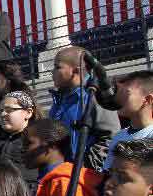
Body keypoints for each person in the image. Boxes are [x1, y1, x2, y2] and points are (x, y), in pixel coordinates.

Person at [49, 45, 121, 173]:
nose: (52, 72)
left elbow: (110, 137)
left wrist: (84, 167)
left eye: (57, 67)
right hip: (62, 175)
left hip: (86, 178)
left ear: (75, 71)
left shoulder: (97, 96)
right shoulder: (59, 99)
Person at [103, 70, 153, 171]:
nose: (119, 98)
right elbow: (107, 174)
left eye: (126, 93)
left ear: (147, 100)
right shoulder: (118, 137)